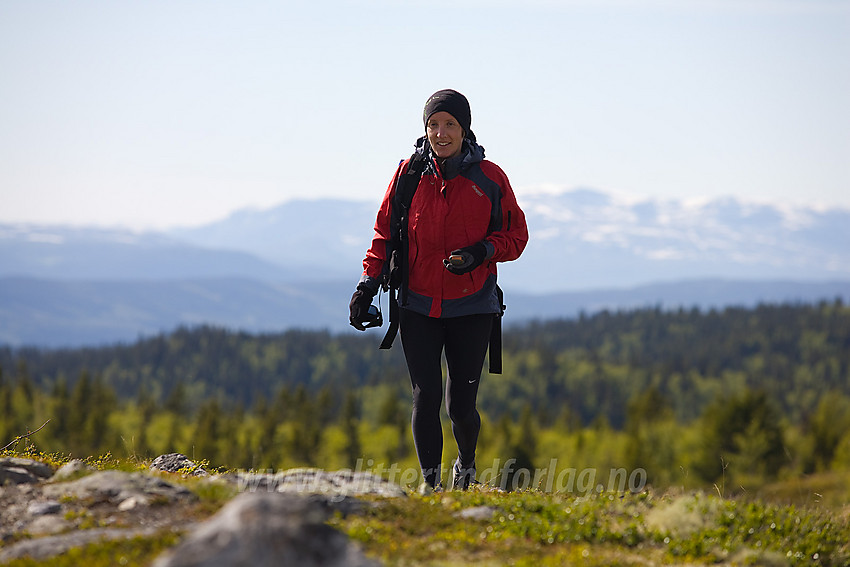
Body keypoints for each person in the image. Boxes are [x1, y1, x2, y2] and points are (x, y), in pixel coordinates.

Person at [349, 89, 528, 492]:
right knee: (424, 399)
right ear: (424, 129)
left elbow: (516, 236)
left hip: (473, 307)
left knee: (460, 407)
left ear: (465, 129)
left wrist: (481, 251)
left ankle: (466, 464)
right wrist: (367, 283)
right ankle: (432, 489)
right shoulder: (408, 175)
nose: (441, 133)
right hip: (417, 307)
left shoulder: (490, 178)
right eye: (433, 124)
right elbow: (384, 235)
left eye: (450, 124)